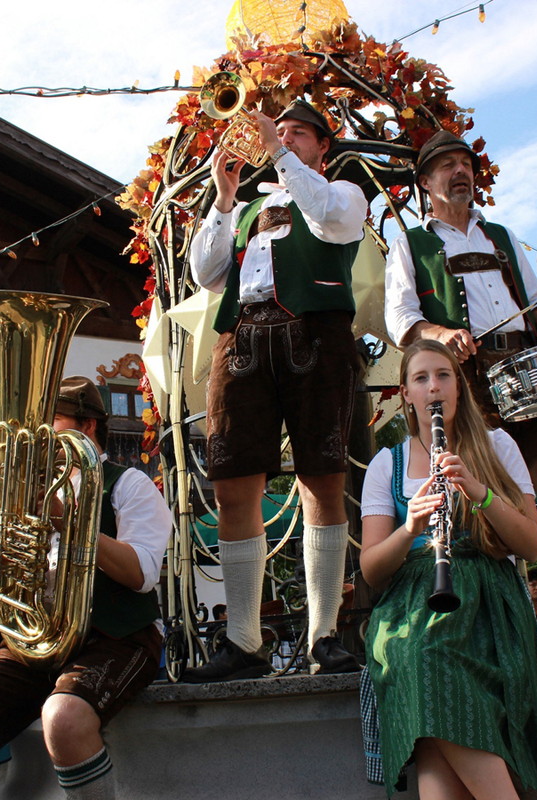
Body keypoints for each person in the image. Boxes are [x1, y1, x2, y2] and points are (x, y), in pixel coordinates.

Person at [385, 130, 537, 655]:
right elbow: (400, 318)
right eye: (445, 165)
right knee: (478, 491)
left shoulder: (503, 236)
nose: (459, 172)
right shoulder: (411, 244)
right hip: (462, 378)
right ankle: (499, 611)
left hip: (524, 369)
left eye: (464, 163)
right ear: (425, 182)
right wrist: (441, 335)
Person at [184, 98, 368, 681]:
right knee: (233, 483)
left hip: (317, 338)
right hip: (242, 342)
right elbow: (206, 274)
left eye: (297, 134)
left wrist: (278, 152)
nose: (281, 138)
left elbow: (325, 218)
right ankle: (243, 641)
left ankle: (324, 636)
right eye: (278, 131)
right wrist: (221, 199)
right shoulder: (247, 210)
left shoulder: (343, 194)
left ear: (322, 146)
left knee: (323, 478)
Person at [0, 376, 171, 800]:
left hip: (117, 638)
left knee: (65, 719)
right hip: (39, 642)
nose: (38, 436)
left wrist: (71, 524)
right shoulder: (28, 494)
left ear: (87, 426)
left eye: (51, 421)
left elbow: (141, 574)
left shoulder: (129, 484)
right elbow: (11, 596)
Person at [360, 340, 537, 799]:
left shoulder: (497, 446)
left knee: (430, 686)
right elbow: (372, 570)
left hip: (490, 602)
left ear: (459, 386)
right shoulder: (385, 464)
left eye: (443, 375)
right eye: (421, 378)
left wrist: (479, 491)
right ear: (407, 395)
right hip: (413, 604)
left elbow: (531, 544)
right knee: (422, 654)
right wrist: (410, 527)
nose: (433, 387)